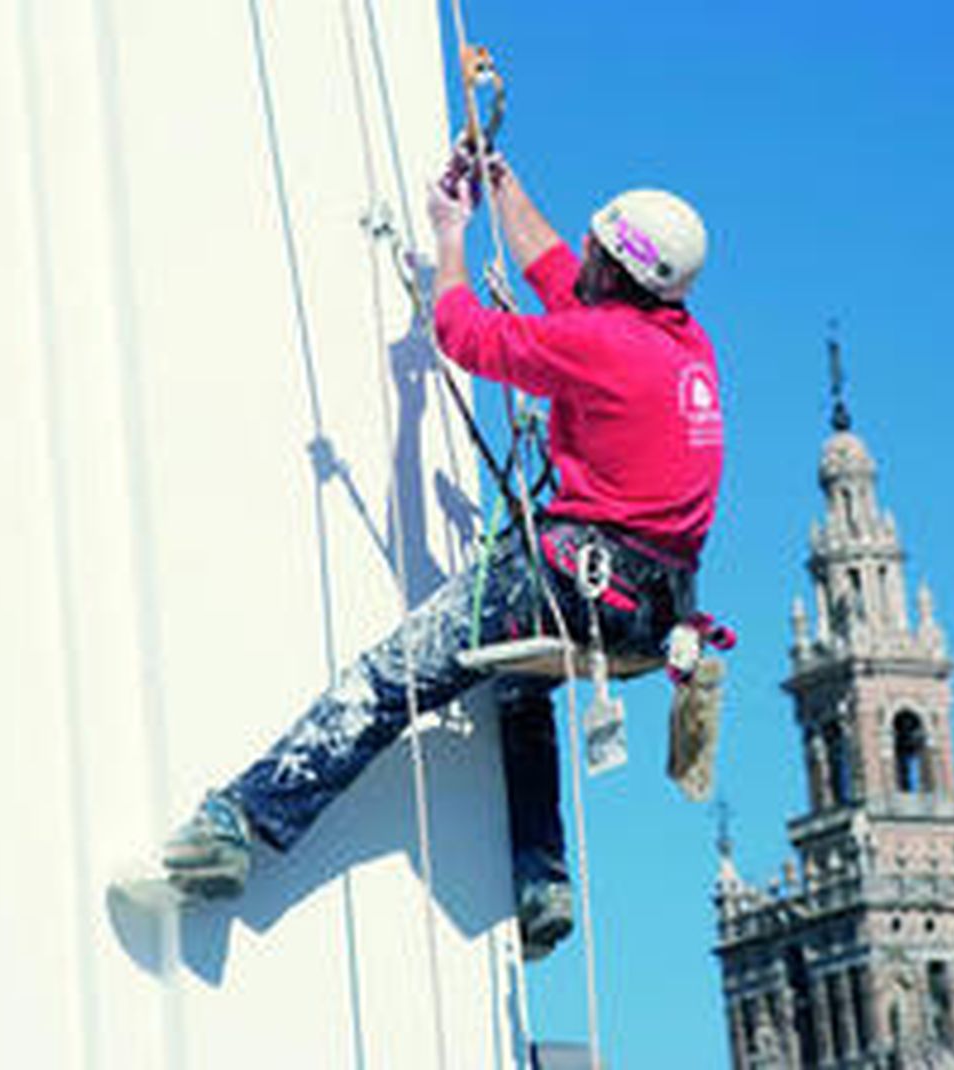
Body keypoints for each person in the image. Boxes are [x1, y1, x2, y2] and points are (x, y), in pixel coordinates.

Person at [160, 144, 724, 962]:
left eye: (598, 248)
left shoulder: (603, 347)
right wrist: (504, 186)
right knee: (517, 685)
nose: (585, 255)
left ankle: (240, 825)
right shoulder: (682, 345)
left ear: (618, 268)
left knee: (398, 674)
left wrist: (449, 235)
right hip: (650, 607)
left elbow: (461, 333)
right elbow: (561, 275)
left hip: (578, 572)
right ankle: (541, 875)